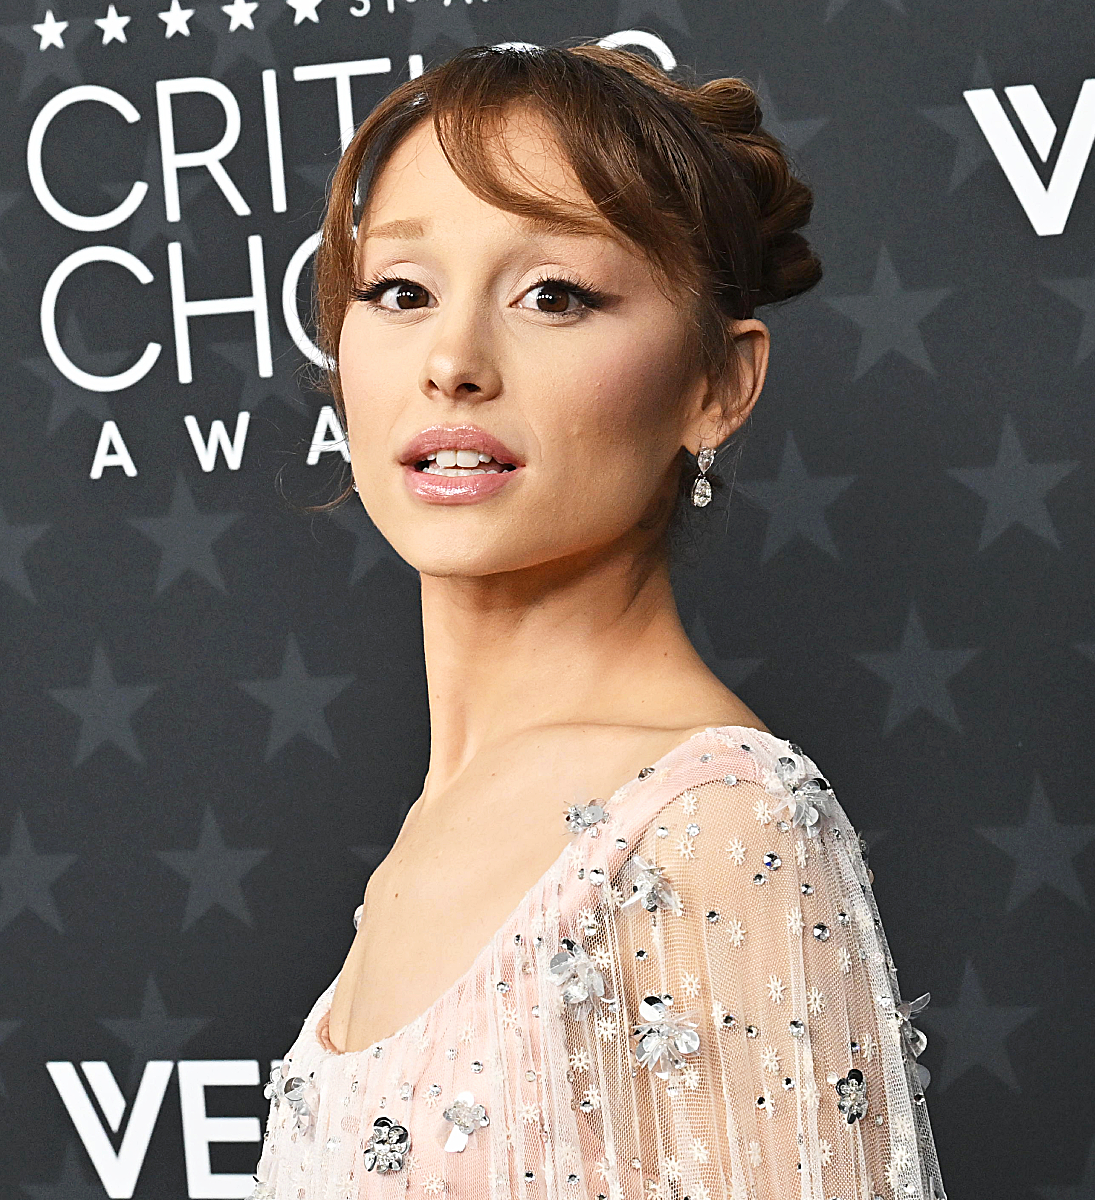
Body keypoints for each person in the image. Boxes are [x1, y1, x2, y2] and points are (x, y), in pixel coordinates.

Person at [248, 45, 942, 1198]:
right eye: (401, 291)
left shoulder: (717, 828)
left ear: (718, 384)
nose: (453, 362)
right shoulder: (441, 820)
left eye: (554, 295)